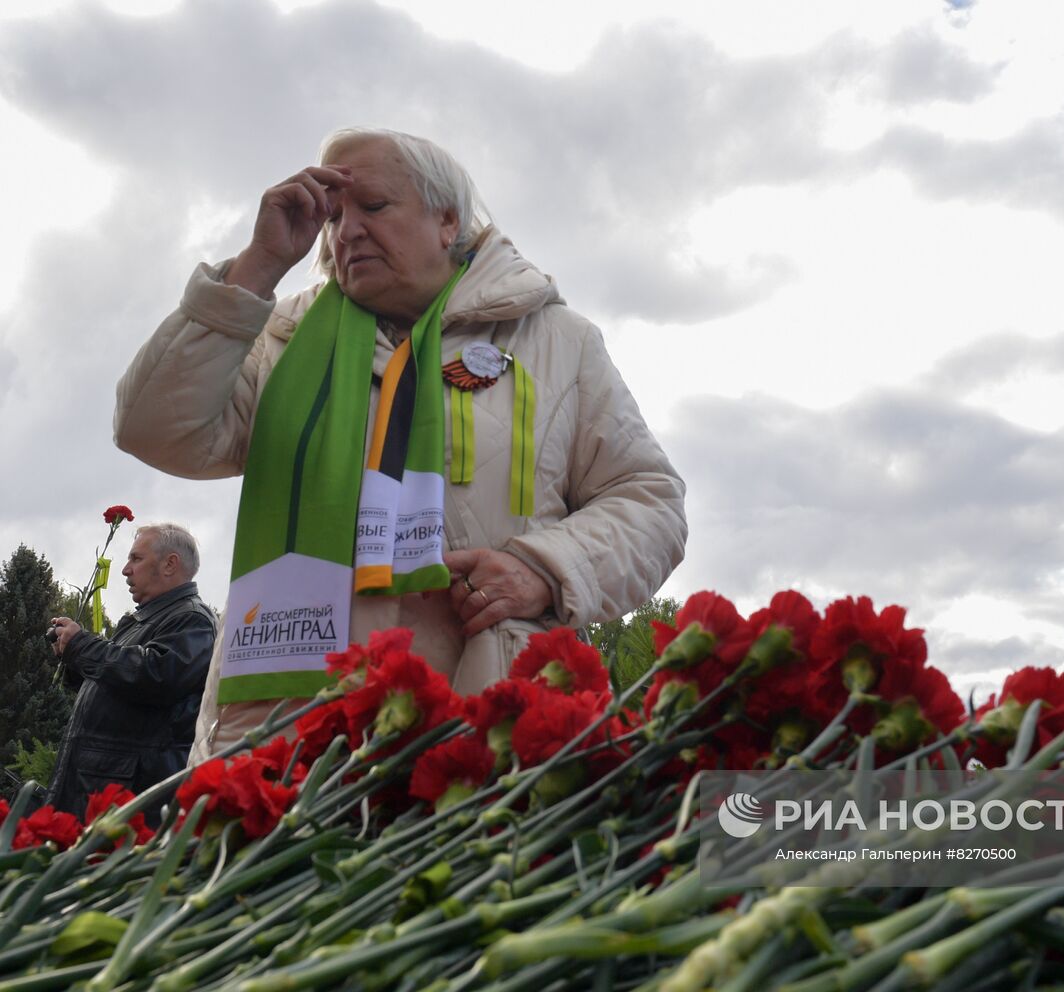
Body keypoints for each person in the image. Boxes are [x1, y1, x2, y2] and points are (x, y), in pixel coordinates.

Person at [114, 127, 687, 762]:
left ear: (447, 220)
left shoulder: (555, 341)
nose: (346, 231)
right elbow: (153, 428)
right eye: (334, 216)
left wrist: (545, 568)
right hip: (285, 734)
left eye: (374, 208)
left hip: (485, 729)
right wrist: (255, 269)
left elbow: (651, 504)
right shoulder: (281, 335)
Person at [47, 523, 217, 815]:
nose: (125, 570)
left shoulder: (192, 619)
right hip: (99, 792)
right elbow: (120, 692)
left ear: (169, 564)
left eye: (136, 559)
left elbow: (155, 676)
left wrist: (83, 646)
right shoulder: (146, 620)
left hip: (125, 804)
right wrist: (74, 658)